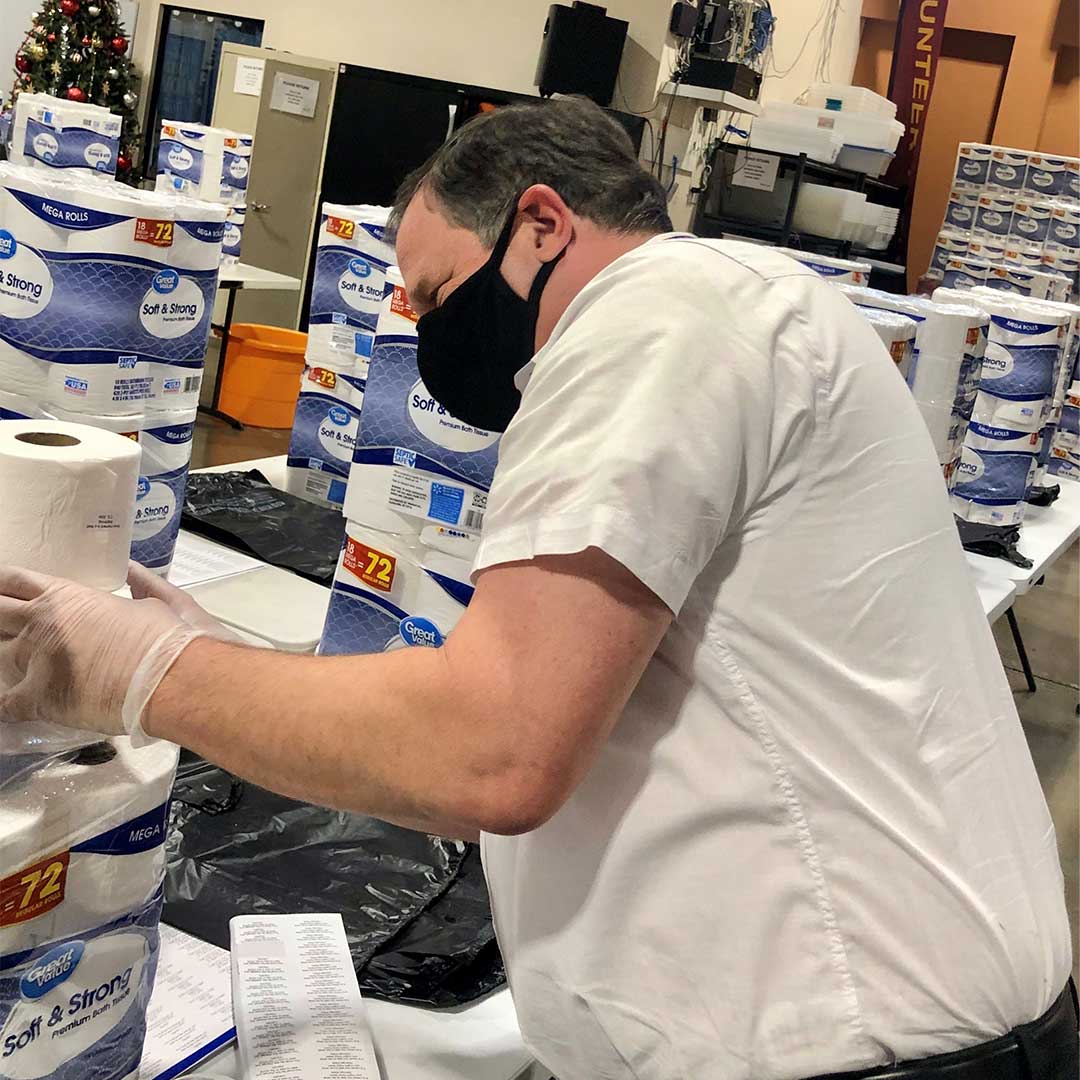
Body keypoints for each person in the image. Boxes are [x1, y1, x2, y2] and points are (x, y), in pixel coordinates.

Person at [0, 97, 1075, 1080]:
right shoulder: (741, 312)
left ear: (543, 225)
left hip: (867, 1045)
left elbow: (493, 745)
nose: (425, 332)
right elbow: (539, 685)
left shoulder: (657, 317)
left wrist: (131, 669)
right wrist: (233, 668)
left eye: (441, 294)